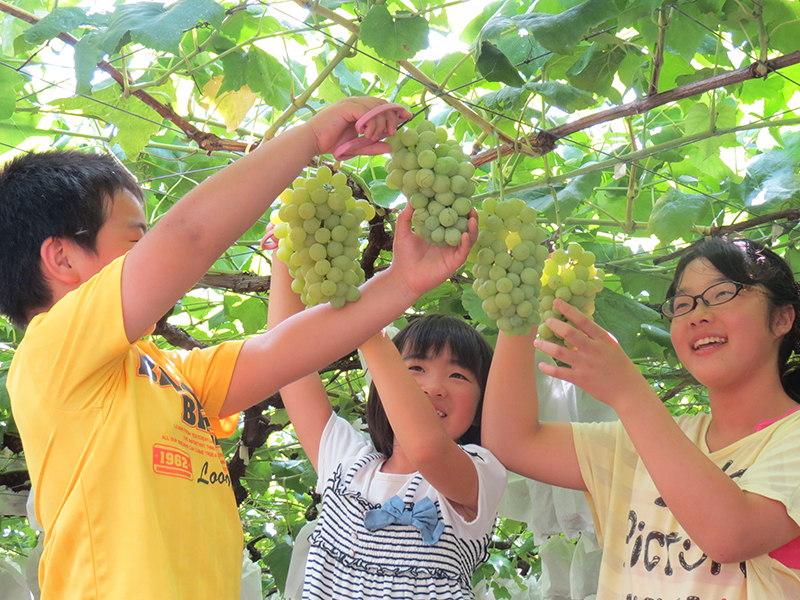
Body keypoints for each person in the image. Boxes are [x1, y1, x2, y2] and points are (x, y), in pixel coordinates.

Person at [0, 97, 479, 600]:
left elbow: (281, 352)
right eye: (139, 241)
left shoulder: (163, 371)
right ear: (60, 257)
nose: (151, 255)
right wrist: (311, 138)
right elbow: (189, 236)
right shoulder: (53, 349)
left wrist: (400, 283)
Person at [483, 236, 800, 599]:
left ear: (782, 318)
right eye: (682, 304)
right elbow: (511, 440)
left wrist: (628, 393)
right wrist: (519, 307)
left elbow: (730, 536)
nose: (697, 314)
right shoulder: (646, 443)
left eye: (722, 293)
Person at [265, 236, 507, 600]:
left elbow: (427, 449)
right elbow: (285, 360)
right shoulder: (348, 462)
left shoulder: (481, 474)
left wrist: (365, 328)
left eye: (458, 376)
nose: (433, 387)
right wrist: (286, 253)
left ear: (481, 405)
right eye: (415, 368)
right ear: (384, 386)